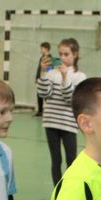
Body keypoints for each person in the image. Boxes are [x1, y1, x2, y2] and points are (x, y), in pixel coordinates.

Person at [37, 38, 87, 185]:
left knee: (71, 160)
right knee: (56, 160)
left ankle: (71, 190)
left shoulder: (80, 77)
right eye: (60, 54)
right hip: (51, 122)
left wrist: (65, 77)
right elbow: (43, 93)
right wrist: (43, 72)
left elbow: (70, 99)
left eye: (66, 54)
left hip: (68, 124)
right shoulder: (51, 73)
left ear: (75, 54)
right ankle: (58, 192)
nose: (63, 58)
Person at [35, 42, 51, 117]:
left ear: (46, 49)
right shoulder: (41, 58)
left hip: (47, 79)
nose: (41, 50)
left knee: (47, 96)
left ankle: (48, 111)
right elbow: (39, 69)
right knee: (39, 94)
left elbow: (49, 70)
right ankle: (40, 111)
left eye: (42, 48)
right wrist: (37, 77)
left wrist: (47, 78)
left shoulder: (50, 58)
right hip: (40, 79)